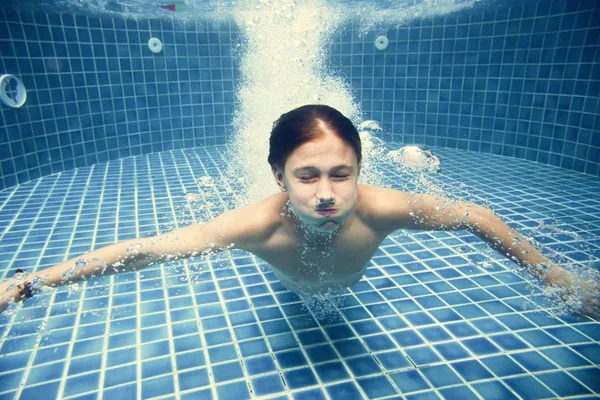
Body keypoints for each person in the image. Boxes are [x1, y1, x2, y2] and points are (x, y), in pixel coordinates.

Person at [0, 105, 598, 319]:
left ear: (361, 172)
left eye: (342, 173)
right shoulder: (254, 226)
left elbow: (475, 215)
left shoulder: (383, 209)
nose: (327, 194)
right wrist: (30, 283)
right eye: (306, 177)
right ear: (279, 179)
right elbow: (145, 251)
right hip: (291, 290)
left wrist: (556, 277)